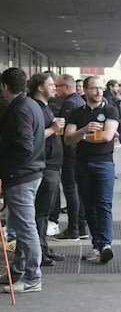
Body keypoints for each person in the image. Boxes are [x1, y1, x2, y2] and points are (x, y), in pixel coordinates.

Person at [64, 76, 119, 263]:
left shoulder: (110, 109)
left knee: (103, 204)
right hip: (82, 163)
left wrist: (83, 137)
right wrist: (84, 130)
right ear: (85, 90)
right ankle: (96, 245)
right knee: (88, 206)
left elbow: (107, 136)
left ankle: (106, 244)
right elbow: (68, 139)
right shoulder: (76, 113)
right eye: (94, 88)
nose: (98, 92)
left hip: (104, 163)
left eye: (100, 88)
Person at [0, 68, 45, 293]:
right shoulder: (31, 105)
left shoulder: (19, 109)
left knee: (25, 228)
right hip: (28, 174)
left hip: (20, 176)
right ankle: (17, 271)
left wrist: (5, 170)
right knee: (21, 226)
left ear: (5, 87)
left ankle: (31, 277)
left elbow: (23, 146)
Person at [27, 73, 65, 267]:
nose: (54, 88)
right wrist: (53, 128)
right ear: (40, 87)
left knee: (47, 210)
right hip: (45, 165)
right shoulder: (34, 108)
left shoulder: (46, 107)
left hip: (53, 165)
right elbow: (32, 137)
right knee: (41, 210)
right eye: (50, 84)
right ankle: (39, 250)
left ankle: (43, 246)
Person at [51, 74, 88, 241]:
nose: (55, 90)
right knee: (77, 192)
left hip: (70, 154)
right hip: (78, 153)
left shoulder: (69, 103)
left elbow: (65, 132)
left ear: (66, 87)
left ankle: (74, 228)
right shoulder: (79, 102)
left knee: (71, 191)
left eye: (57, 86)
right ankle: (80, 226)